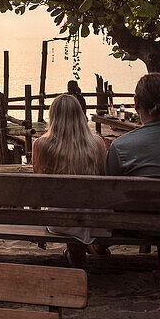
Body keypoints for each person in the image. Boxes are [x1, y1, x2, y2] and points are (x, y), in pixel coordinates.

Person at [32, 93, 108, 267]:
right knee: (81, 210)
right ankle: (92, 248)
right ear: (81, 116)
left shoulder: (41, 145)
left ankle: (76, 258)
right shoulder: (97, 144)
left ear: (53, 117)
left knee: (66, 210)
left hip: (60, 222)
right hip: (95, 220)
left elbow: (38, 189)